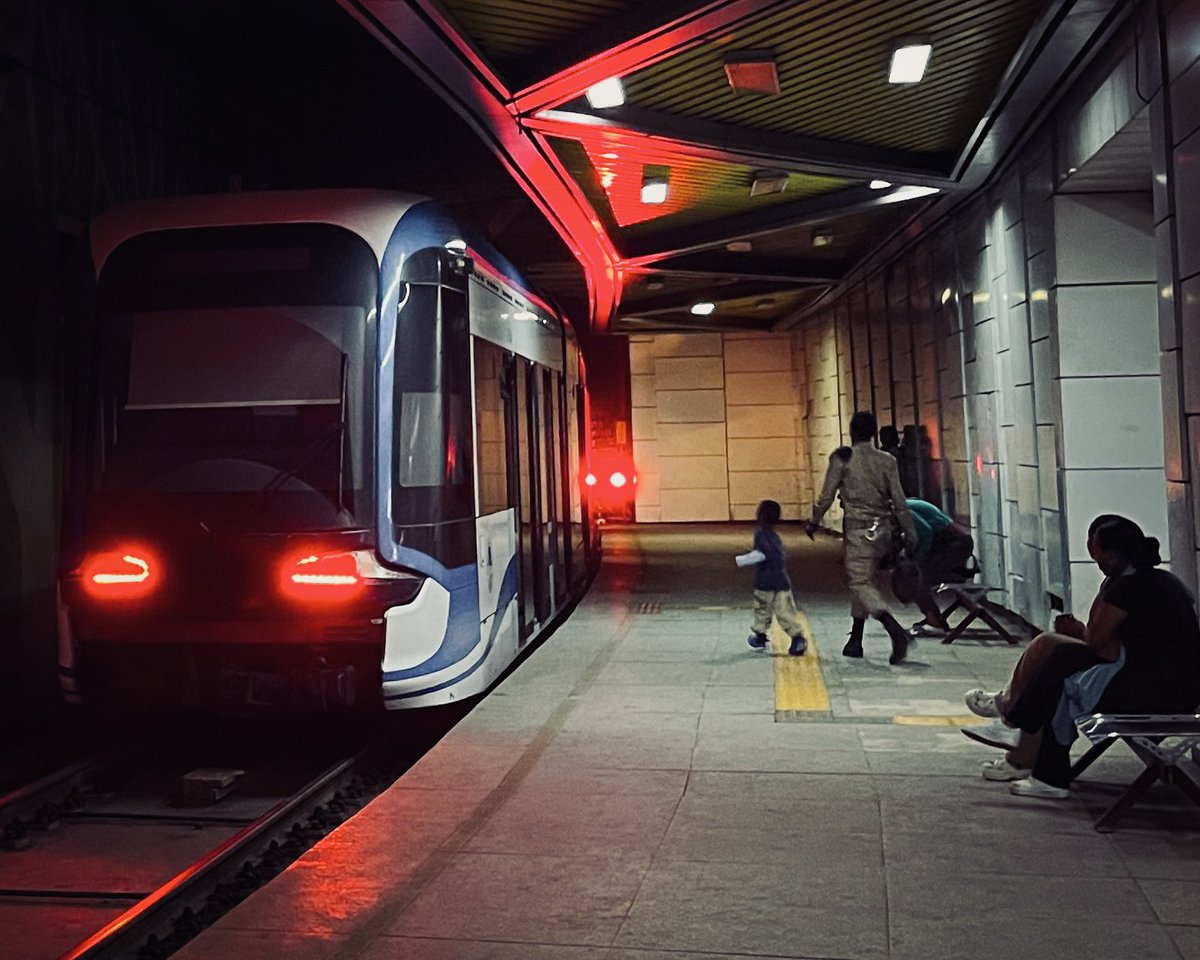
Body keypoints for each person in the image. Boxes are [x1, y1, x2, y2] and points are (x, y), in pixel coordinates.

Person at [962, 515, 1200, 798]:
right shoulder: (1152, 580)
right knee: (1054, 652)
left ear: (1112, 556)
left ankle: (1024, 737)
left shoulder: (1128, 588)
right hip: (1167, 684)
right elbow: (1109, 646)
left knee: (1056, 666)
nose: (1093, 557)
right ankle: (1014, 721)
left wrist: (1077, 629)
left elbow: (1099, 644)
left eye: (1096, 551)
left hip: (1156, 691)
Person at [806, 410, 917, 664]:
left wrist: (813, 522)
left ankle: (895, 630)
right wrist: (910, 531)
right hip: (884, 530)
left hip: (858, 530)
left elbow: (826, 497)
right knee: (867, 582)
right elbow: (899, 501)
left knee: (860, 583)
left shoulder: (843, 458)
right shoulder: (887, 460)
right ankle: (855, 640)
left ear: (852, 430)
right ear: (874, 432)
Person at [737, 500, 809, 657]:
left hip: (764, 581)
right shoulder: (775, 537)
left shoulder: (761, 534)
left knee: (762, 609)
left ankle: (760, 636)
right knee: (785, 611)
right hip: (781, 580)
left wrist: (741, 560)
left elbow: (761, 554)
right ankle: (797, 638)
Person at [905, 497, 974, 636]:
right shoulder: (907, 503)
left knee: (915, 576)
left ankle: (934, 619)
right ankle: (933, 617)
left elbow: (926, 532)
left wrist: (917, 559)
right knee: (915, 575)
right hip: (956, 543)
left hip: (954, 545)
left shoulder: (903, 510)